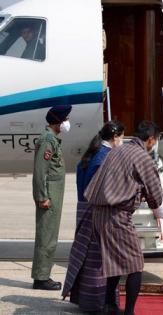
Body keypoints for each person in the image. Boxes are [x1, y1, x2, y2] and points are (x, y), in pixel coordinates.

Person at [84, 121, 163, 315]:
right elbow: (155, 194)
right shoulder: (142, 157)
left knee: (114, 263)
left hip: (98, 213)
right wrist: (161, 211)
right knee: (135, 265)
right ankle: (128, 311)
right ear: (151, 140)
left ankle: (109, 306)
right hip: (116, 216)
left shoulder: (116, 150)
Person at [62, 121, 125, 313]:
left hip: (83, 209)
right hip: (97, 212)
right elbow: (103, 191)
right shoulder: (105, 158)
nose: (122, 141)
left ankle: (85, 300)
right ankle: (99, 303)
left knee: (86, 257)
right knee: (99, 260)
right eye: (122, 137)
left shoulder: (90, 156)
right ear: (115, 137)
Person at [32, 105, 72, 290]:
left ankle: (43, 274)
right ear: (58, 121)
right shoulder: (48, 141)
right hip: (48, 197)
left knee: (50, 236)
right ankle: (41, 278)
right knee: (46, 237)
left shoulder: (53, 140)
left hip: (53, 196)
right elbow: (41, 171)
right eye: (65, 120)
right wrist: (42, 197)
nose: (67, 123)